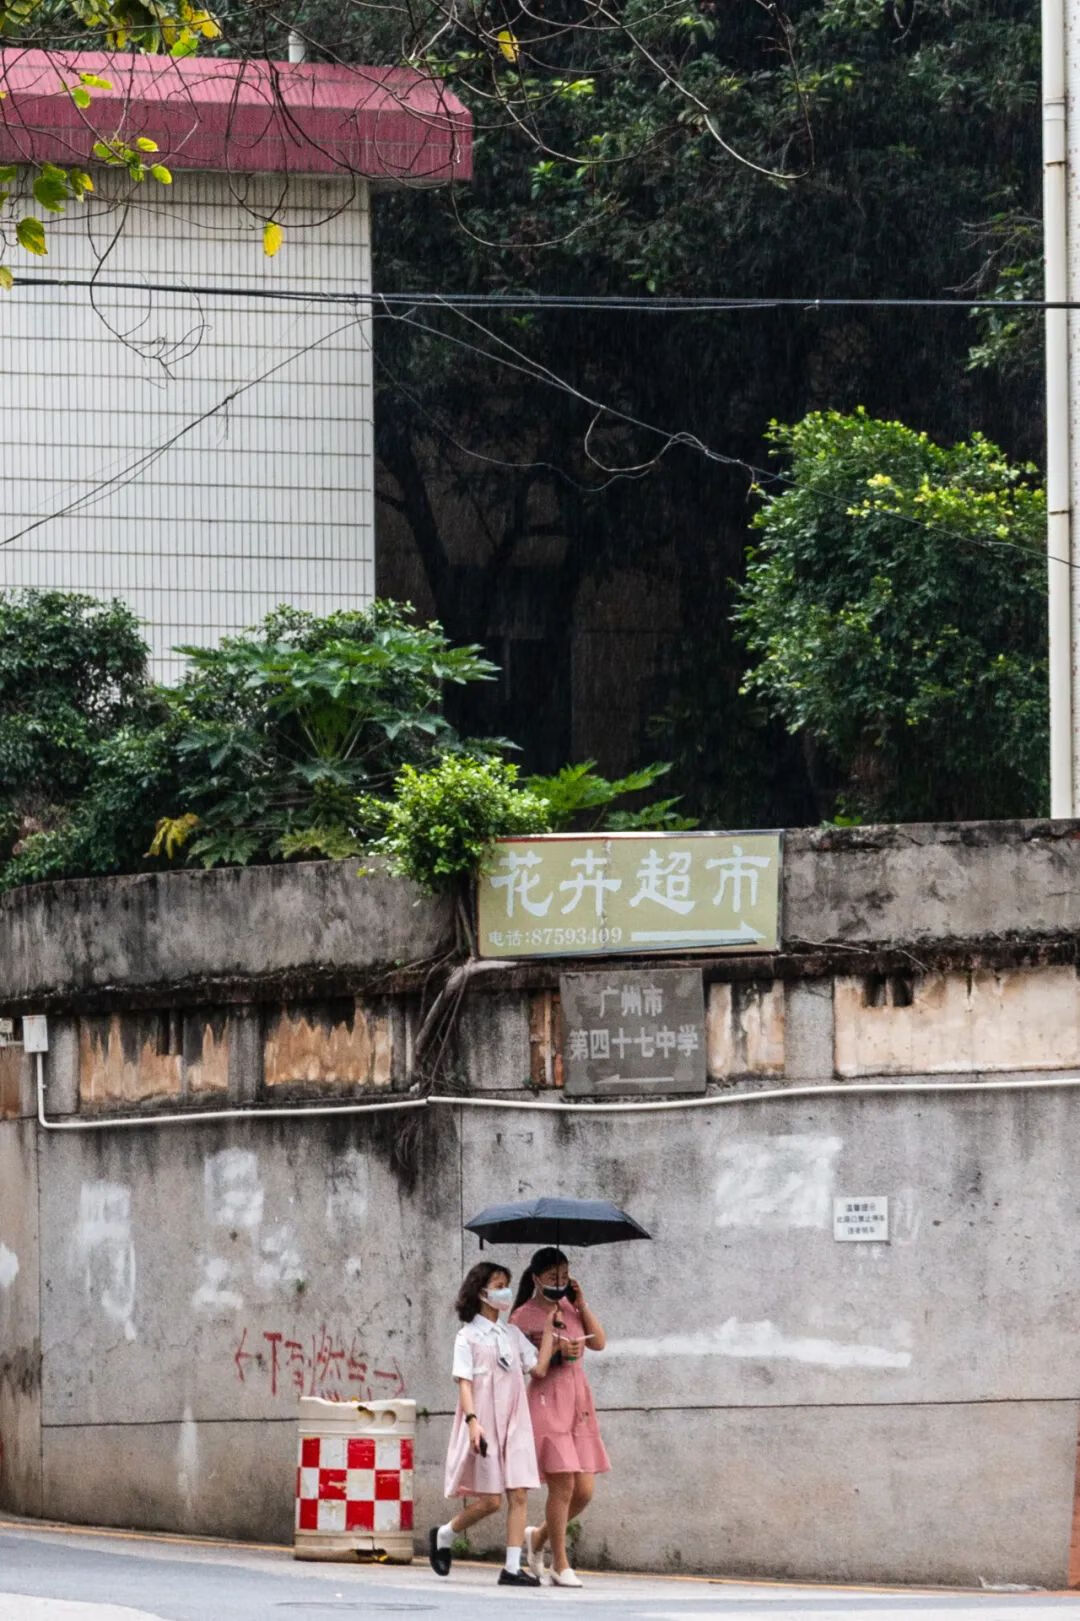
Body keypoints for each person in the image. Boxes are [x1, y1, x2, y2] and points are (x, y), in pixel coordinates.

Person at [430, 1259, 557, 1587]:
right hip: (485, 1421)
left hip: (515, 1421)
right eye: (499, 1285)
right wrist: (473, 1422)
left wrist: (550, 1331)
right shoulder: (467, 1336)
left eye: (506, 1284)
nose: (505, 1292)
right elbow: (464, 1383)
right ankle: (444, 1534)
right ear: (482, 1292)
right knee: (491, 1501)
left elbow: (539, 1368)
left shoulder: (512, 1334)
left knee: (519, 1493)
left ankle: (511, 1569)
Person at [511, 1247, 609, 1589]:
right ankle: (559, 1564)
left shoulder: (569, 1307)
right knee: (563, 1485)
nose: (560, 1282)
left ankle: (537, 1537)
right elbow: (526, 1367)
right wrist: (554, 1350)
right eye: (553, 1277)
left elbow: (599, 1342)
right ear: (536, 1278)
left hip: (577, 1403)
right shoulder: (522, 1317)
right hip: (545, 1401)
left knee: (584, 1490)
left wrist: (580, 1302)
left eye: (565, 1276)